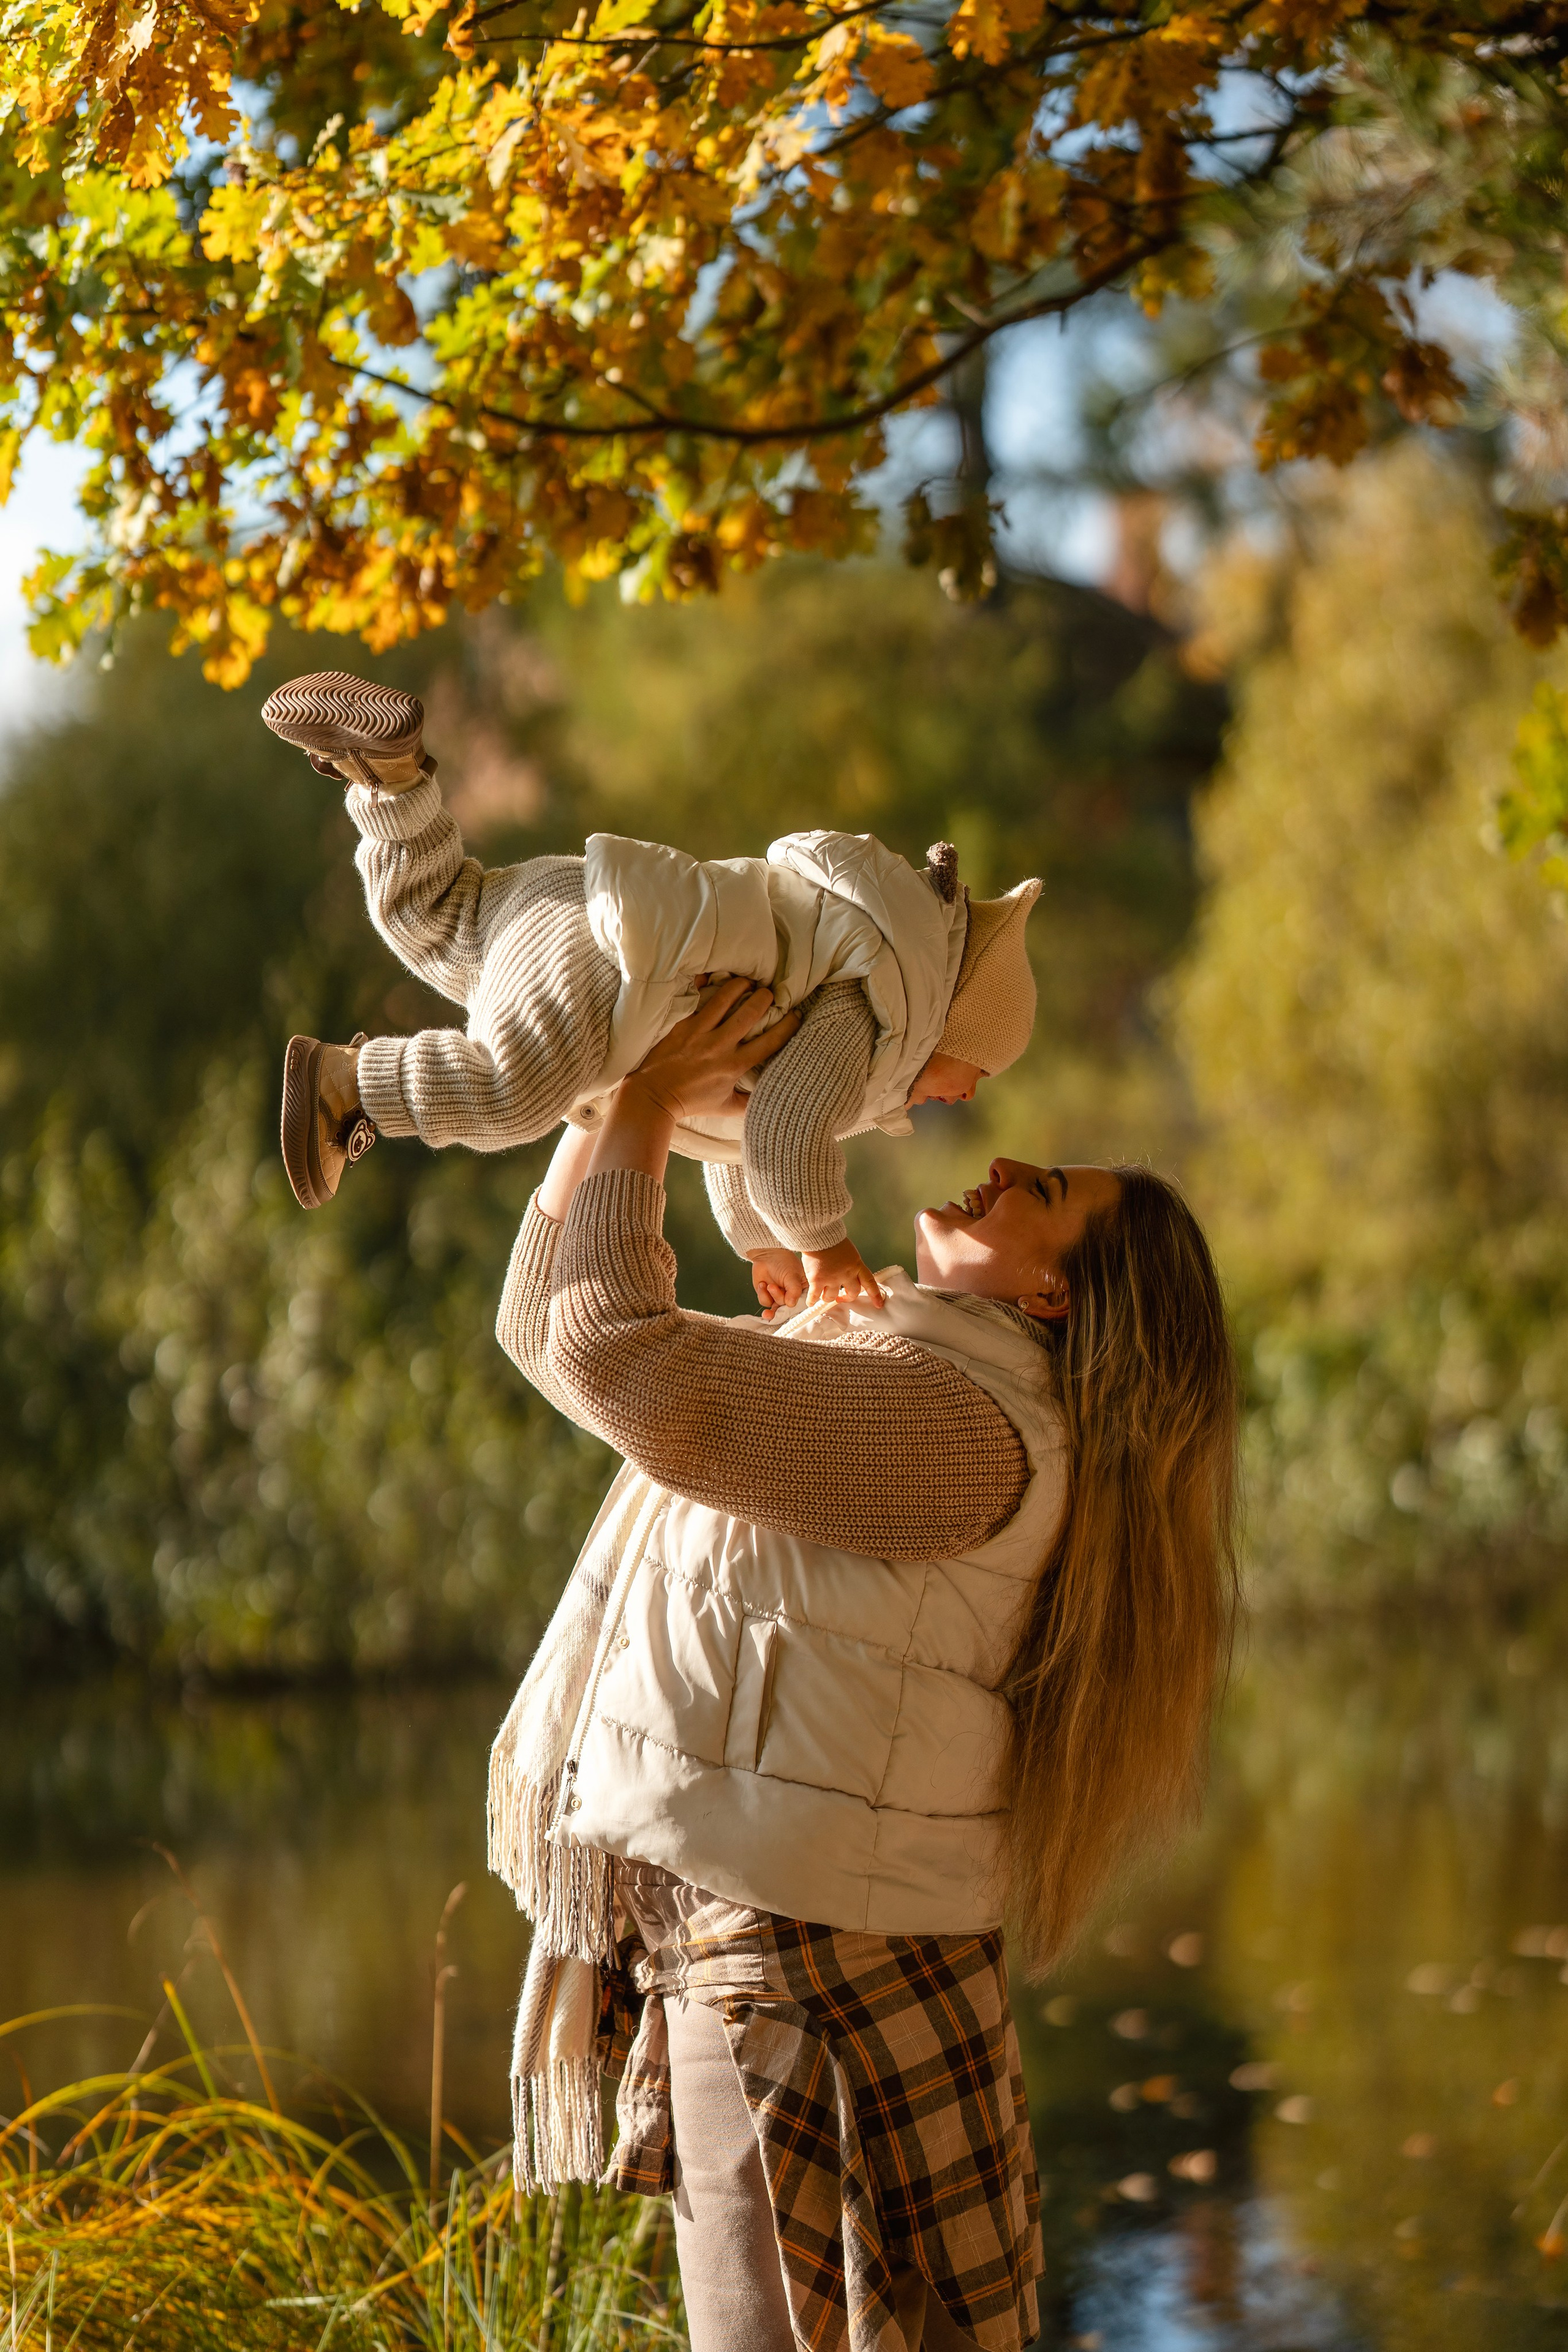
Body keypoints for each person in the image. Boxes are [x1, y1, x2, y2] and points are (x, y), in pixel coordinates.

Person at [488, 977, 1241, 2352]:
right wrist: (600, 1099)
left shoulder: (952, 1425)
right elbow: (553, 1337)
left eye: (1042, 1189)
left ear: (1057, 1292)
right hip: (807, 1946)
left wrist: (654, 1099)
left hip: (798, 1972)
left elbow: (618, 1360)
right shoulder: (897, 1363)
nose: (1001, 1162)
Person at [260, 671, 1041, 1313]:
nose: (968, 1096)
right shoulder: (874, 1018)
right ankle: (352, 1088)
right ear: (944, 1017)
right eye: (978, 1067)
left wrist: (761, 1242)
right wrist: (823, 1246)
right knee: (510, 1094)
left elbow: (732, 1124)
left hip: (577, 901)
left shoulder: (841, 963)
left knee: (436, 919)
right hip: (615, 971)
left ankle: (391, 780)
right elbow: (782, 1131)